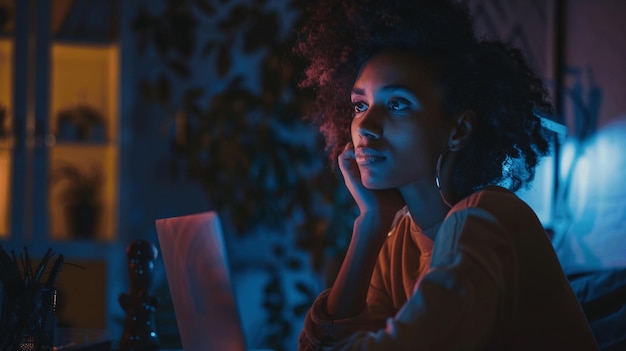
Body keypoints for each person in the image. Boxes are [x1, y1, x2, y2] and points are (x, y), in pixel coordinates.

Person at [292, 0, 599, 350]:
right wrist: (371, 223)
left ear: (458, 130)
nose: (365, 127)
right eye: (360, 105)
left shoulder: (489, 218)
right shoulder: (397, 241)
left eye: (397, 104)